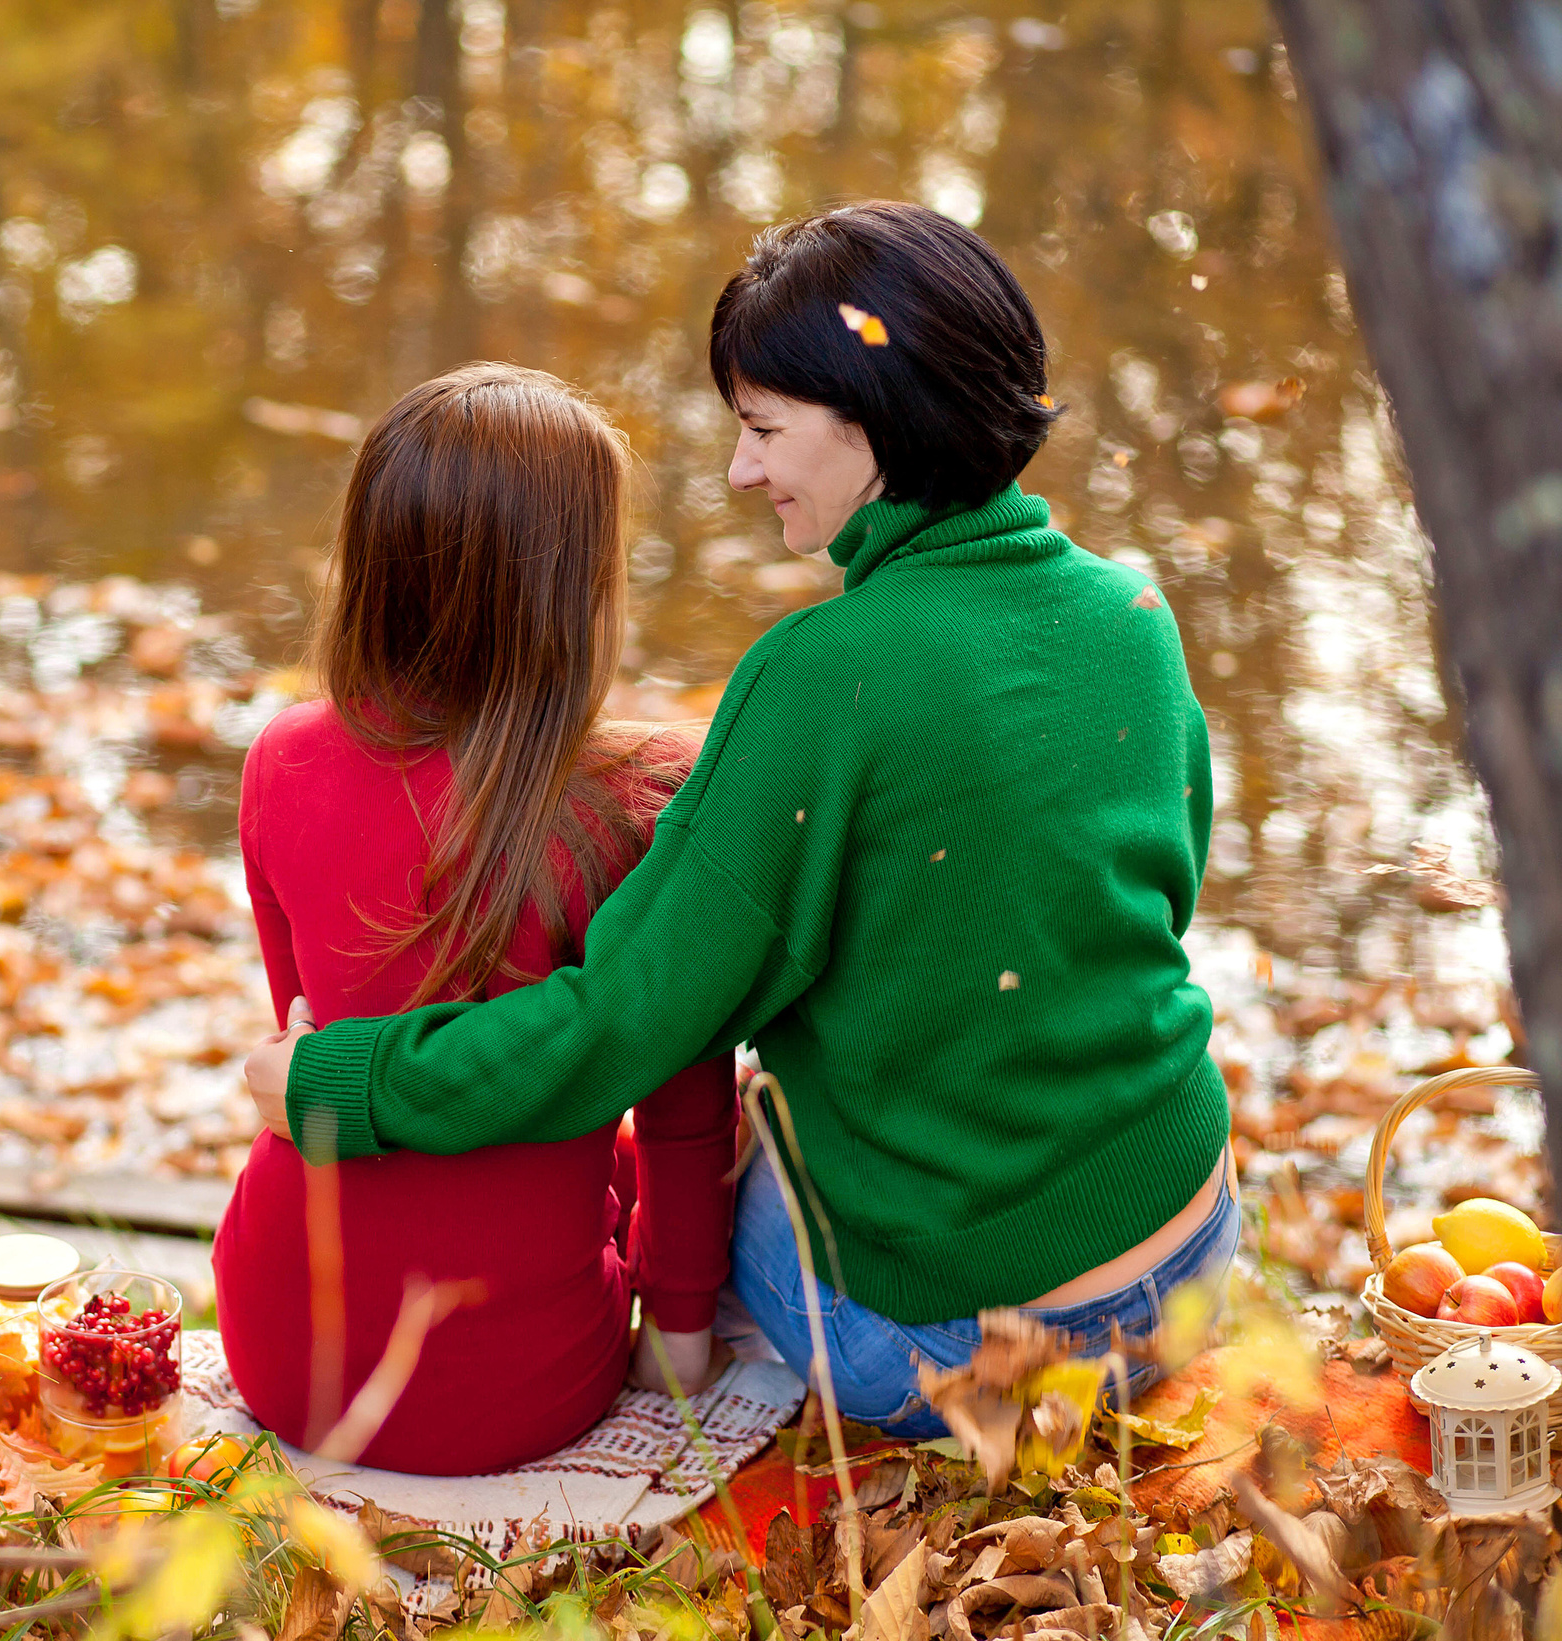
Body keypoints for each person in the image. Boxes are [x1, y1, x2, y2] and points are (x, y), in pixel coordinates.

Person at [244, 203, 1239, 1436]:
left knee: (725, 1148)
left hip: (957, 1349)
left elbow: (623, 1027)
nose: (740, 469)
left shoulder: (824, 674)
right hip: (1190, 1247)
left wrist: (337, 1082)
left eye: (764, 427)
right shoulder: (1130, 614)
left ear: (877, 412)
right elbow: (1139, 899)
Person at [212, 362, 738, 1476]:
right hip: (516, 1391)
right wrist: (678, 1335)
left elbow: (303, 1041)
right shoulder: (640, 796)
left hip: (278, 1349)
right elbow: (685, 1109)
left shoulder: (278, 760)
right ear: (576, 588)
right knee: (709, 1126)